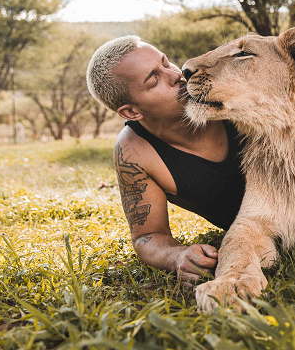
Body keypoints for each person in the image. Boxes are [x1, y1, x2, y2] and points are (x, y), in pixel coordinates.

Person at [86, 36, 246, 285]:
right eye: (154, 79)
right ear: (131, 112)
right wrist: (178, 255)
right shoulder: (135, 152)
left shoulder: (228, 94)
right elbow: (147, 235)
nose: (176, 75)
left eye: (166, 63)